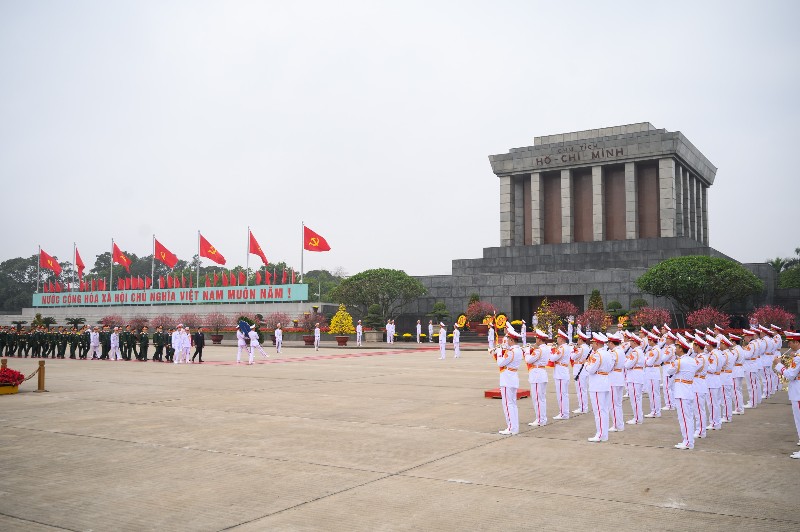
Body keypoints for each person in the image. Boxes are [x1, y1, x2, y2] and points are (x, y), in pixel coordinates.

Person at [664, 334, 699, 450]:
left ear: (681, 349)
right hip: (688, 389)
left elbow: (669, 371)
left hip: (681, 391)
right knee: (687, 416)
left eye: (677, 347)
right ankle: (688, 440)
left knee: (684, 417)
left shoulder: (679, 361)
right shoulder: (693, 361)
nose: (676, 349)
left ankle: (688, 441)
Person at [772, 330, 800, 458]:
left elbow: (789, 375)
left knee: (799, 420)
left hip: (798, 391)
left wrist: (779, 365)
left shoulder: (798, 358)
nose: (788, 345)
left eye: (790, 342)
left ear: (796, 342)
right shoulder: (797, 356)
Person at [585, 332, 614, 442]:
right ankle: (604, 434)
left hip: (597, 383)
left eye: (593, 343)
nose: (592, 345)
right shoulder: (608, 353)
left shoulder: (597, 354)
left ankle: (600, 434)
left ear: (597, 343)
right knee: (604, 410)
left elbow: (591, 369)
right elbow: (611, 367)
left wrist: (586, 365)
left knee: (599, 411)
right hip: (605, 381)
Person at [495, 325, 523, 435]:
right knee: (512, 404)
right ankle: (514, 427)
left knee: (507, 404)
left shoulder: (511, 351)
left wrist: (498, 352)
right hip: (513, 377)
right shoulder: (518, 350)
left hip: (507, 379)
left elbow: (500, 363)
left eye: (508, 340)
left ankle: (511, 428)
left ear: (511, 340)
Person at [525, 329, 550, 427]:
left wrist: (527, 351)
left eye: (536, 339)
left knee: (537, 399)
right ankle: (542, 418)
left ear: (539, 340)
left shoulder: (539, 350)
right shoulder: (546, 348)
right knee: (542, 398)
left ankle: (540, 419)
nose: (536, 341)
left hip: (537, 375)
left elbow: (529, 360)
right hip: (542, 373)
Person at [550, 329, 572, 420]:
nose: (557, 339)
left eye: (558, 338)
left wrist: (551, 352)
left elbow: (553, 358)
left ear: (562, 339)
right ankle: (564, 412)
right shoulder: (566, 347)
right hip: (563, 371)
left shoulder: (562, 348)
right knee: (564, 394)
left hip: (560, 373)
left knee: (561, 394)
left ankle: (563, 413)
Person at [606, 333, 626, 432]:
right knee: (618, 404)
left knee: (613, 404)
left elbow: (610, 366)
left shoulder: (613, 352)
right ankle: (620, 424)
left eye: (608, 343)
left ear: (611, 342)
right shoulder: (621, 351)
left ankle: (616, 425)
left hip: (613, 377)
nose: (608, 345)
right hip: (619, 377)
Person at [624, 333, 645, 425]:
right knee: (637, 398)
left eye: (631, 341)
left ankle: (637, 418)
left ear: (634, 342)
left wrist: (626, 361)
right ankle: (638, 416)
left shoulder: (635, 352)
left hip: (634, 376)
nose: (630, 343)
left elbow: (627, 365)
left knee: (635, 398)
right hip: (637, 375)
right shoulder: (639, 351)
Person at [571, 328, 591, 414]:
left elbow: (572, 357)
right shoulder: (588, 347)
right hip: (585, 369)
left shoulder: (580, 348)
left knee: (580, 390)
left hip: (579, 368)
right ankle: (584, 407)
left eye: (578, 339)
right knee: (584, 389)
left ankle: (582, 408)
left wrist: (573, 349)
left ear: (580, 340)